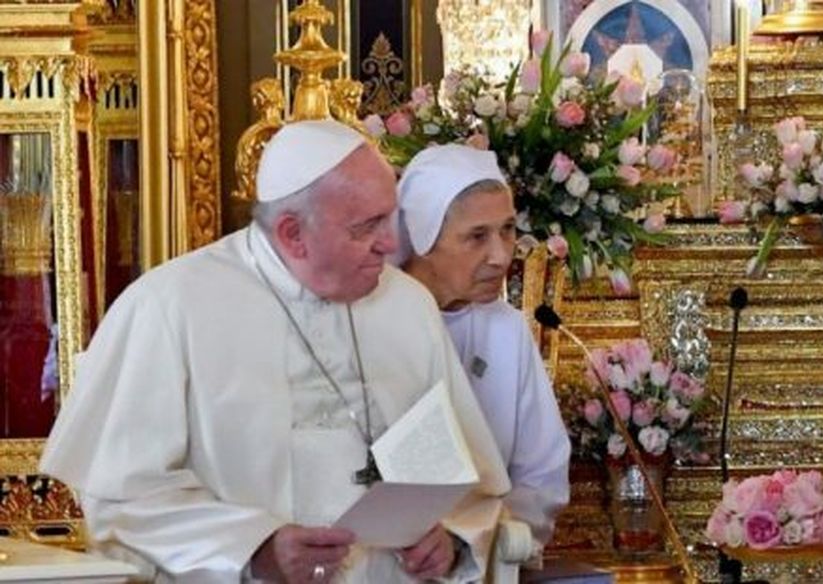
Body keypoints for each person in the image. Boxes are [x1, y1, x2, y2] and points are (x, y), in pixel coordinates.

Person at [41, 120, 511, 582]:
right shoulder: (170, 306)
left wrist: (449, 538)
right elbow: (120, 499)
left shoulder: (407, 305)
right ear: (291, 233)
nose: (389, 244)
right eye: (366, 227)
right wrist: (254, 548)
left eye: (390, 218)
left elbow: (464, 476)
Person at [395, 144, 572, 546]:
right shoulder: (374, 322)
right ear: (424, 239)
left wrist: (468, 540)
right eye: (477, 236)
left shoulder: (506, 329)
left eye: (508, 230)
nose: (501, 256)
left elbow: (542, 478)